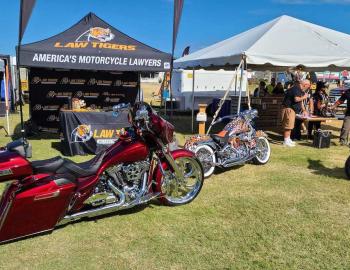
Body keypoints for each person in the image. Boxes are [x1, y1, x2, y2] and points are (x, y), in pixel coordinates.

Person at [281, 79, 310, 147]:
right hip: (289, 109)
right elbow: (296, 99)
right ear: (305, 85)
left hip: (292, 110)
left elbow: (301, 101)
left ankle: (288, 139)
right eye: (308, 86)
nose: (308, 88)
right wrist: (304, 97)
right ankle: (286, 141)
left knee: (290, 125)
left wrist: (304, 110)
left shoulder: (300, 90)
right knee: (288, 125)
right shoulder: (296, 89)